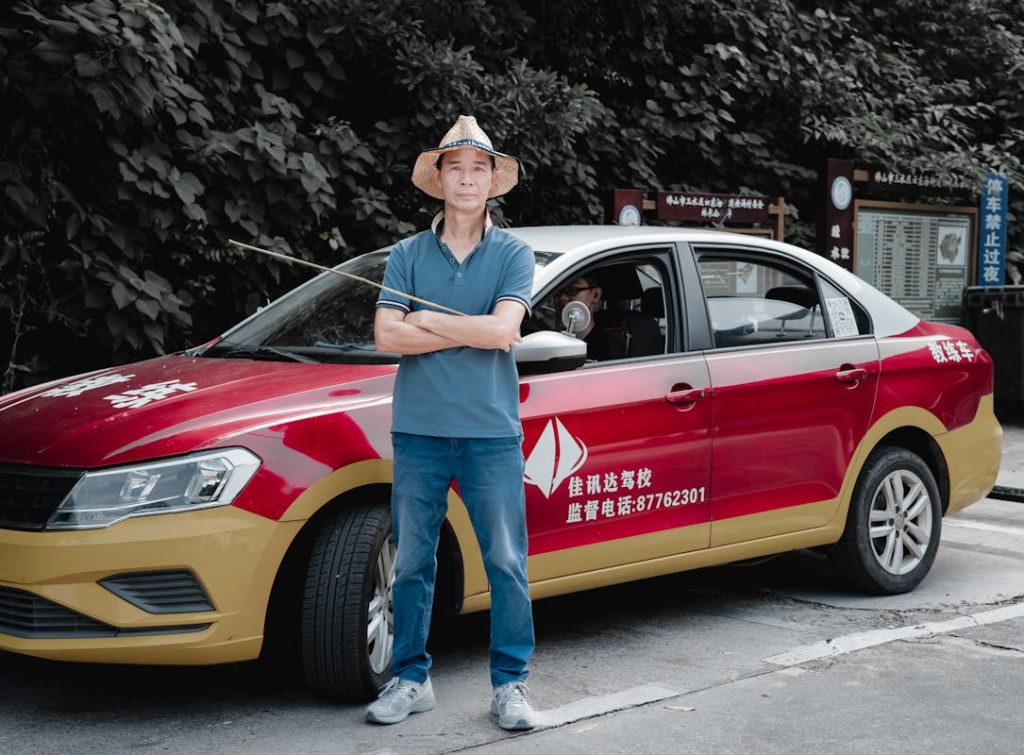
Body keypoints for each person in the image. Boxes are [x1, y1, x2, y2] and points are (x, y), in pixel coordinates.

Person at [369, 115, 537, 731]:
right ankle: (410, 677)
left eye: (478, 168)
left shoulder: (514, 253)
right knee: (413, 561)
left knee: (505, 561)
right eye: (455, 167)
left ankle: (511, 684)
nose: (466, 179)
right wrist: (467, 329)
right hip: (418, 429)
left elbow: (503, 331)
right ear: (438, 178)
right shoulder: (407, 253)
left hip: (491, 431)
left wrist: (426, 323)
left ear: (493, 181)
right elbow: (387, 335)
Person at [556, 273, 662, 360]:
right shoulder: (551, 337)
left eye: (572, 290)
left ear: (596, 295)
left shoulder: (607, 348)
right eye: (557, 291)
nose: (562, 297)